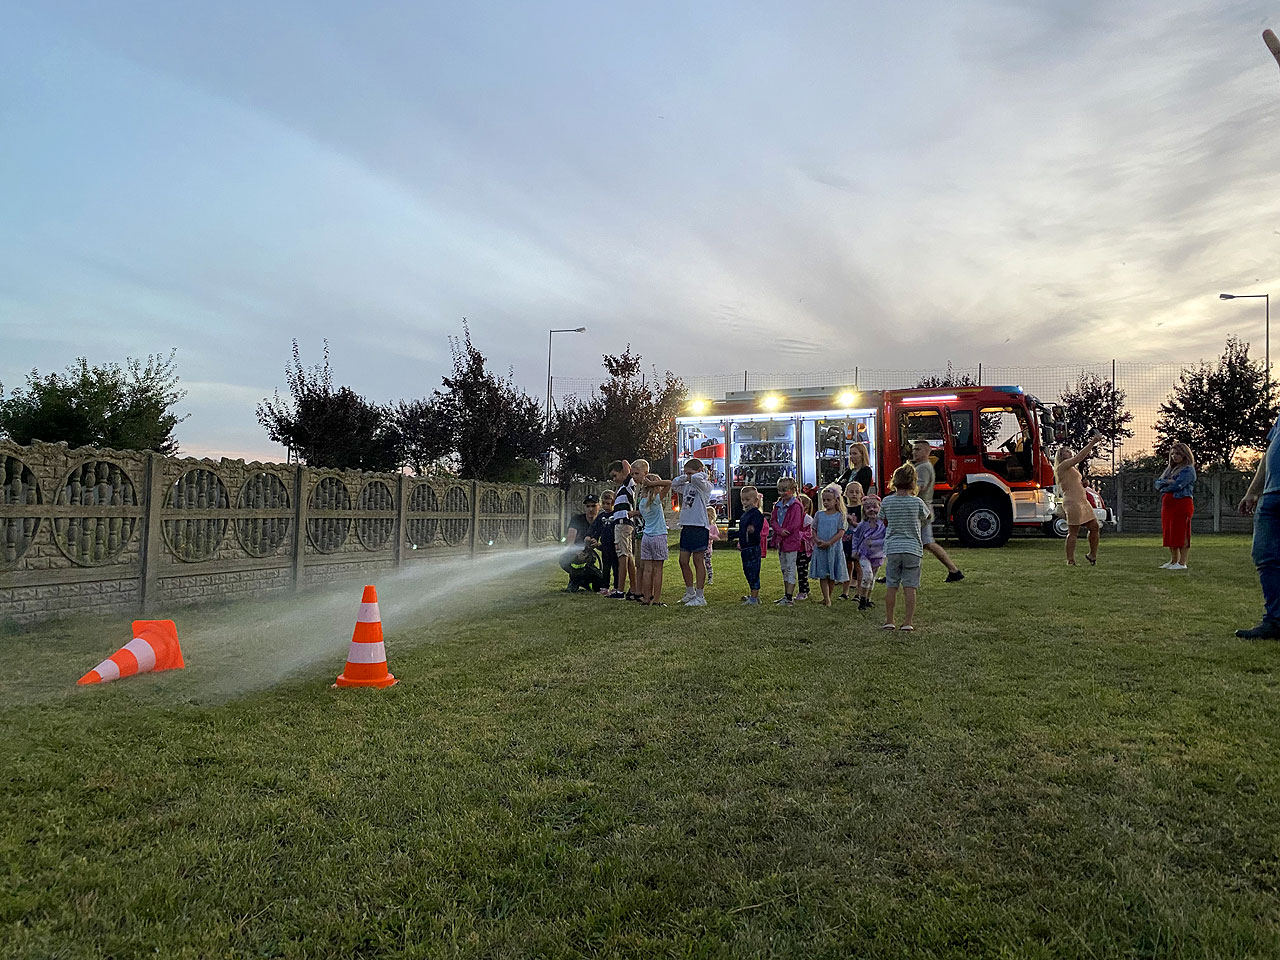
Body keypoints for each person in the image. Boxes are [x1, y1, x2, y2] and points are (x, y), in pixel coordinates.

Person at [1238, 414, 1280, 639]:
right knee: (1265, 556)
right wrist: (1253, 491)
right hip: (1271, 495)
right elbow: (1268, 454)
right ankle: (1275, 621)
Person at [881, 462, 931, 631]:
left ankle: (889, 620)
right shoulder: (916, 503)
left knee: (891, 585)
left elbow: (883, 519)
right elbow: (927, 517)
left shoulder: (887, 502)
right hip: (913, 548)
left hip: (893, 548)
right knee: (910, 586)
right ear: (913, 483)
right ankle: (908, 622)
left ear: (894, 482)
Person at [911, 441, 964, 582]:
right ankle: (954, 571)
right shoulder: (923, 466)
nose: (914, 452)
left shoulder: (922, 468)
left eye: (918, 449)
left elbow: (918, 488)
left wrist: (901, 492)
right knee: (924, 543)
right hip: (923, 510)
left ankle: (954, 570)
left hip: (921, 512)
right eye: (913, 449)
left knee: (927, 543)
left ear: (927, 452)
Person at [1054, 436, 1104, 566]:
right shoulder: (1063, 466)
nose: (1069, 452)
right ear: (1061, 455)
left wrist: (1083, 484)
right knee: (1073, 532)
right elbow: (1079, 457)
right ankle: (1070, 560)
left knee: (1094, 527)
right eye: (1066, 451)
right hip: (1073, 502)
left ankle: (1092, 554)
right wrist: (1093, 442)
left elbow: (1072, 482)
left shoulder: (1072, 468)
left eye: (1070, 451)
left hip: (1082, 501)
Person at [671, 458, 714, 606]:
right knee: (683, 560)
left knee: (698, 561)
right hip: (687, 526)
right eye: (685, 473)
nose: (688, 476)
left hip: (699, 526)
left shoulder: (705, 486)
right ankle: (690, 592)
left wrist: (700, 474)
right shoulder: (688, 486)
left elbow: (696, 478)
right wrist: (686, 476)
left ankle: (700, 596)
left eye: (690, 473)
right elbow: (674, 484)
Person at [1155, 442, 1196, 570]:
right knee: (1170, 532)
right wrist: (1167, 482)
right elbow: (1157, 484)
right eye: (1172, 454)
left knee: (1181, 532)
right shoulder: (1170, 469)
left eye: (1177, 453)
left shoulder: (1188, 469)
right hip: (1168, 505)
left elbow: (1178, 485)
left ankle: (1182, 563)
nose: (1174, 456)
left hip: (1182, 503)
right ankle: (1173, 561)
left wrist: (1166, 484)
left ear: (1185, 454)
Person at [810, 483, 850, 606]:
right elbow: (814, 528)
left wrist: (829, 542)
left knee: (831, 574)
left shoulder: (840, 516)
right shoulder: (819, 515)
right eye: (824, 500)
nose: (826, 503)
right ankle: (826, 598)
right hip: (821, 548)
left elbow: (841, 532)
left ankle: (828, 597)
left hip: (834, 548)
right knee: (823, 574)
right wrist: (816, 540)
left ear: (836, 500)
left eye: (828, 500)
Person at [635, 472, 672, 605]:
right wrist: (654, 483)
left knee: (647, 569)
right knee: (658, 570)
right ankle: (656, 599)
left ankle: (646, 598)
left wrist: (649, 484)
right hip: (658, 535)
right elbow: (669, 483)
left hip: (646, 536)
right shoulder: (656, 500)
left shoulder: (642, 502)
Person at [769, 477, 806, 605]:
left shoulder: (795, 505)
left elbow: (795, 523)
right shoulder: (778, 505)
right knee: (784, 568)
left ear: (792, 490)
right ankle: (786, 594)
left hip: (791, 540)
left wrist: (784, 531)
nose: (781, 493)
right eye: (779, 490)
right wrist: (779, 531)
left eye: (784, 490)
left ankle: (789, 597)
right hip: (781, 540)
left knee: (790, 567)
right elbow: (772, 520)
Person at [606, 460, 639, 600]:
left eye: (615, 475)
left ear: (623, 472)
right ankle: (634, 588)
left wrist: (625, 469)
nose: (614, 479)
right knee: (628, 555)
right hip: (623, 524)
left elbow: (625, 463)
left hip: (622, 524)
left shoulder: (628, 483)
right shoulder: (622, 488)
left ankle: (620, 590)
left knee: (622, 556)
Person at [849, 494, 887, 611]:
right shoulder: (862, 525)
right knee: (867, 574)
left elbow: (887, 537)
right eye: (868, 508)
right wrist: (855, 550)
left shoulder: (883, 525)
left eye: (874, 507)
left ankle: (868, 598)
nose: (872, 510)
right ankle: (862, 599)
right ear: (864, 511)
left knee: (873, 577)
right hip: (865, 554)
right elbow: (855, 536)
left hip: (878, 555)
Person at [561, 494, 604, 588]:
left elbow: (606, 545)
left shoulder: (602, 521)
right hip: (576, 553)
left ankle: (583, 581)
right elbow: (569, 542)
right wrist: (577, 552)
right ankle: (575, 580)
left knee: (599, 583)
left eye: (593, 506)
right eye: (588, 506)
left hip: (591, 556)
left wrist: (597, 545)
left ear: (599, 506)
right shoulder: (577, 519)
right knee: (564, 559)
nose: (590, 509)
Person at [738, 485, 766, 605]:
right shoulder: (745, 515)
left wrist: (752, 528)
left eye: (747, 500)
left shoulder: (756, 514)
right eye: (743, 499)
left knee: (753, 571)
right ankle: (753, 594)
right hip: (745, 547)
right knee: (747, 570)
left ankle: (754, 598)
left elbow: (757, 525)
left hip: (753, 547)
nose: (744, 502)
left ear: (755, 501)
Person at [840, 481, 864, 600]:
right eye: (851, 492)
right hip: (846, 541)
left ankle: (859, 593)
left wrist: (853, 523)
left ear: (861, 494)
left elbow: (865, 526)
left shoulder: (863, 509)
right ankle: (845, 592)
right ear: (845, 494)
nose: (854, 494)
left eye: (857, 492)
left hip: (859, 542)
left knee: (859, 567)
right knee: (847, 566)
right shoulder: (843, 509)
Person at [598, 489, 619, 594]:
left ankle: (616, 587)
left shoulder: (616, 515)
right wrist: (591, 536)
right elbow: (595, 528)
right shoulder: (601, 516)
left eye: (608, 504)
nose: (606, 506)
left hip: (615, 545)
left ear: (613, 503)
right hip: (605, 546)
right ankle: (604, 587)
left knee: (616, 568)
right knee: (605, 567)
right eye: (604, 504)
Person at [796, 493, 815, 601]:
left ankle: (803, 591)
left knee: (802, 571)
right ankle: (805, 589)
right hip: (797, 548)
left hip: (804, 550)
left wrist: (799, 535)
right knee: (800, 570)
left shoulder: (807, 519)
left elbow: (810, 534)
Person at [704, 506, 723, 584]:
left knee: (708, 563)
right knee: (700, 563)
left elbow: (717, 537)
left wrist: (710, 536)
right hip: (701, 547)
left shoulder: (713, 527)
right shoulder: (703, 526)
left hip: (708, 548)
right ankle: (701, 576)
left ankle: (710, 577)